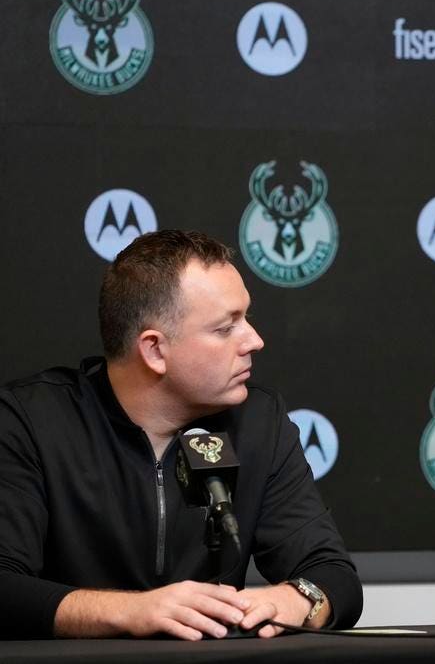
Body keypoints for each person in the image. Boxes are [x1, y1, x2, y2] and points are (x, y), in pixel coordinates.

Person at [0, 230, 362, 640]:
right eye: (225, 328)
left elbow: (334, 576)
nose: (254, 340)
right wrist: (131, 611)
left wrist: (294, 599)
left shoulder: (260, 421)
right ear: (154, 349)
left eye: (246, 318)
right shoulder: (29, 421)